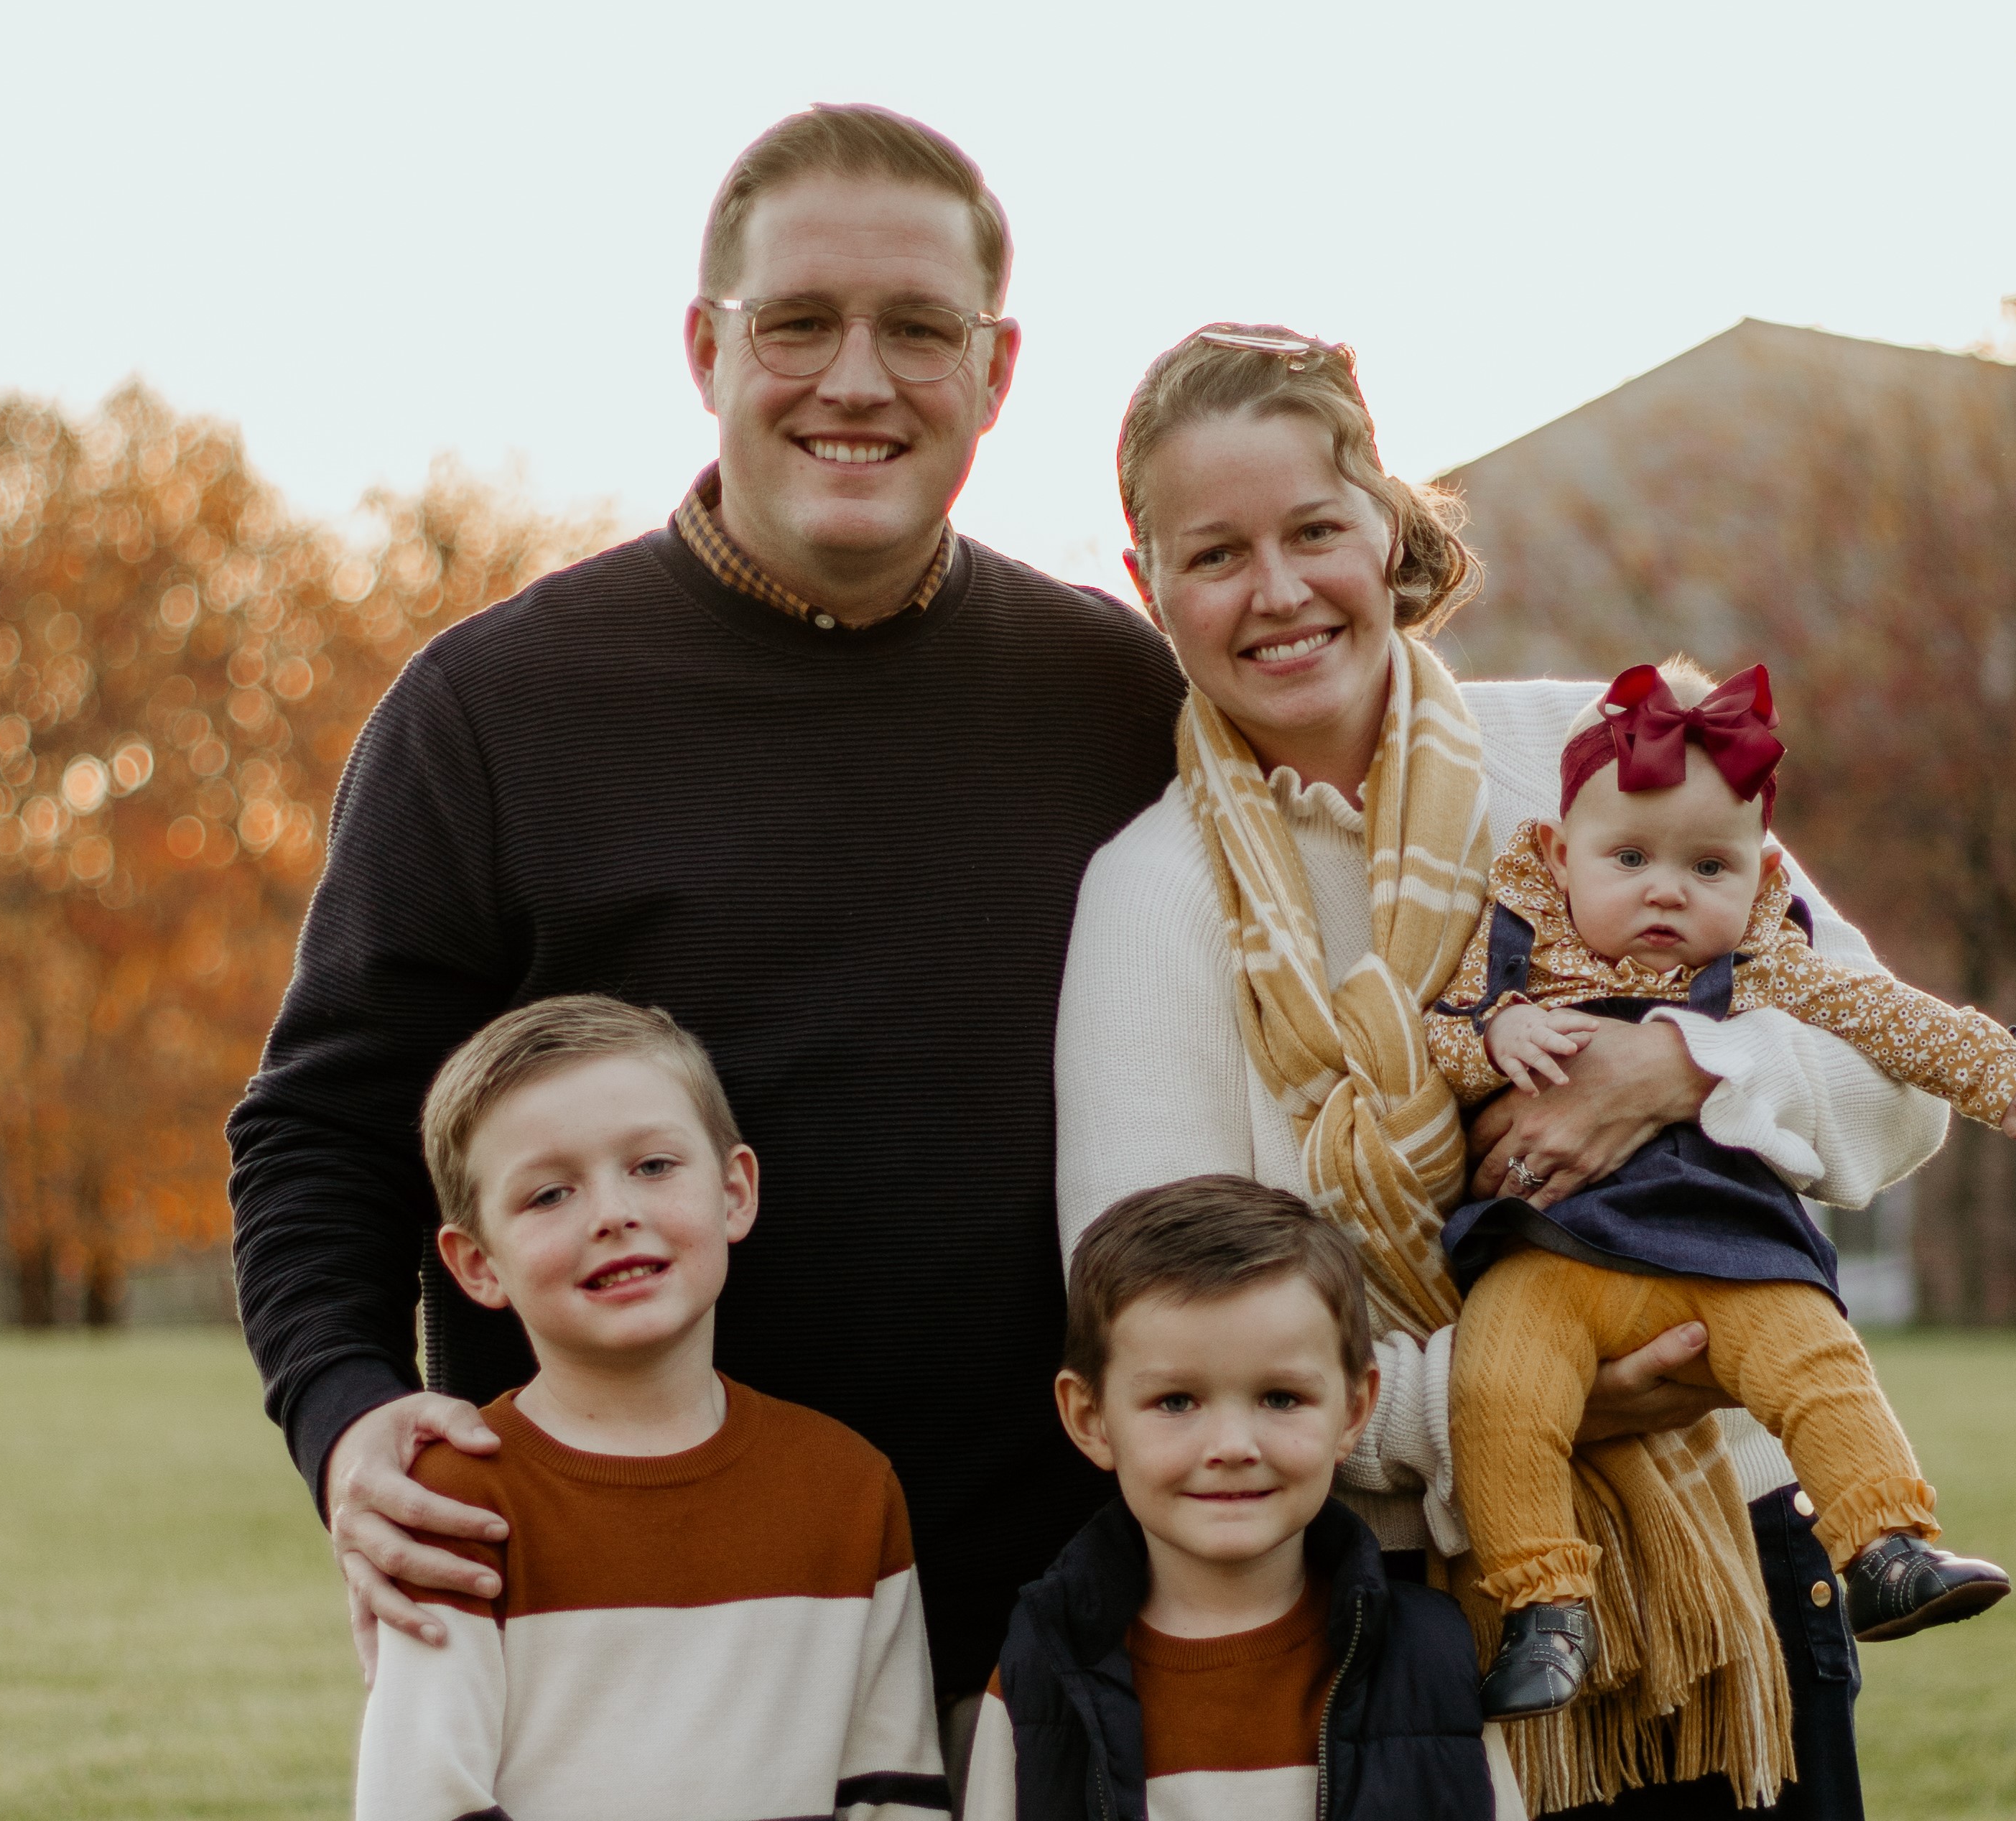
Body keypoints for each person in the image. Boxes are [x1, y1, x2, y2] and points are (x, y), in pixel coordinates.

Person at [226, 105, 1189, 1713]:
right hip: (620, 1638)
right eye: (797, 322)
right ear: (703, 347)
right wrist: (344, 1411)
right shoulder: (492, 711)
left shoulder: (1114, 694)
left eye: (917, 329)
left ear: (999, 371)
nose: (857, 378)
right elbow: (325, 1129)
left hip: (1051, 1655)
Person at [1054, 325, 1953, 1818]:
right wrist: (1488, 1407)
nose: (1276, 591)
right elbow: (1143, 1305)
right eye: (1214, 553)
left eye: (1315, 530)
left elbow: (1896, 1077)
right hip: (1401, 1615)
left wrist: (1676, 1065)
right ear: (1149, 586)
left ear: (1389, 529)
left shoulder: (1590, 757)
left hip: (1728, 1563)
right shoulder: (1148, 891)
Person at [1426, 657, 2016, 1720]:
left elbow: (1893, 1019)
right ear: (1556, 853)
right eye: (1628, 858)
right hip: (1554, 1258)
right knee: (1498, 1390)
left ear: (1760, 877)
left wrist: (2002, 1070)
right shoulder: (1516, 959)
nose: (1666, 889)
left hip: (1724, 1249)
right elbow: (1437, 1040)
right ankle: (1544, 1603)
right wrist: (1499, 1031)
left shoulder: (1767, 967)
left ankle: (1887, 1547)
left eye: (1707, 869)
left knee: (1816, 1360)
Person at [353, 996, 947, 1821]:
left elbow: (894, 1793)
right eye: (549, 1194)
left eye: (654, 1166)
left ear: (734, 1192)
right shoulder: (456, 1498)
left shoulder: (848, 1486)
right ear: (478, 1263)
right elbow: (420, 1800)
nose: (613, 1213)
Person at [966, 1175, 1520, 1821]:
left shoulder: (1429, 1661)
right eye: (1176, 1401)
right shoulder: (1042, 1675)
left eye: (1280, 1398)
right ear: (1090, 1419)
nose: (1232, 1445)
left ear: (1353, 1409)